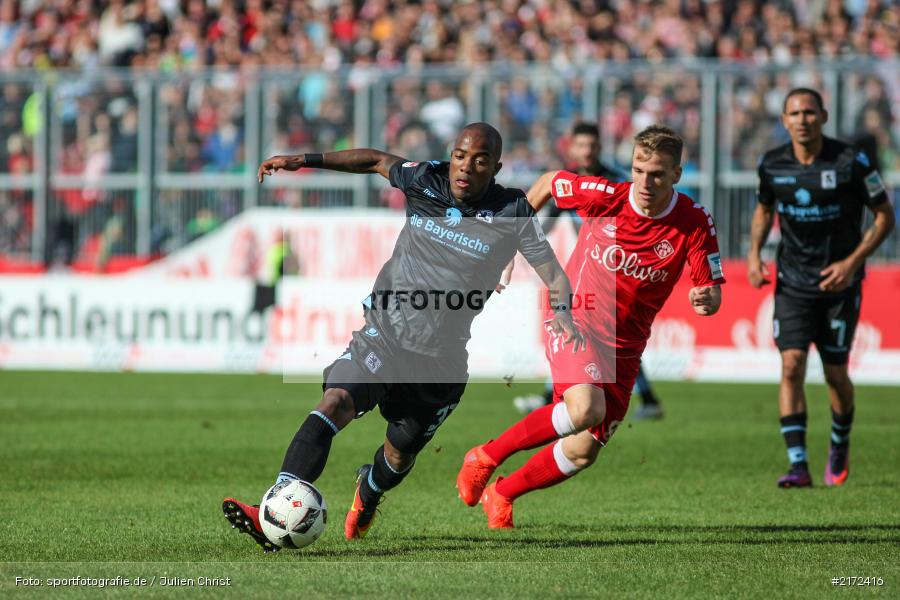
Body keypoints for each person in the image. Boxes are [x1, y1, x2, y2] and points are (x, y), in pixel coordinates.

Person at [223, 122, 584, 550]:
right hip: (383, 338)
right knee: (336, 401)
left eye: (480, 160)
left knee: (398, 455)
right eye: (461, 156)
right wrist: (303, 160)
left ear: (497, 167)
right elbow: (376, 160)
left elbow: (555, 275)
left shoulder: (512, 211)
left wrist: (562, 311)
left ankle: (368, 492)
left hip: (439, 363)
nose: (466, 167)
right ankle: (278, 501)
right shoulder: (425, 179)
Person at [457, 125, 726, 529]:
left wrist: (705, 299)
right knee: (585, 408)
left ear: (676, 175)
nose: (645, 181)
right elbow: (549, 182)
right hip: (574, 317)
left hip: (626, 347)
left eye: (656, 173)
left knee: (583, 450)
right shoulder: (608, 198)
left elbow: (711, 291)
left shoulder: (693, 221)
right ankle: (485, 456)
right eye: (638, 169)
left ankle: (504, 492)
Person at [748, 88, 894, 489]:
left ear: (823, 116)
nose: (802, 120)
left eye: (810, 112)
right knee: (791, 365)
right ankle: (798, 465)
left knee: (835, 375)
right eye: (794, 113)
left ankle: (839, 441)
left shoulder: (852, 161)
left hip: (840, 286)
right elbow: (764, 209)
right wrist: (755, 252)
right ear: (784, 119)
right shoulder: (772, 164)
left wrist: (852, 263)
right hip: (792, 283)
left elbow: (884, 216)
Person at [511, 121, 665, 420]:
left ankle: (643, 399)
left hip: (618, 273)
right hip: (587, 273)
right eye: (581, 145)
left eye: (592, 146)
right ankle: (645, 399)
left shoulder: (618, 183)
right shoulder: (571, 185)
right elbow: (551, 222)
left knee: (605, 337)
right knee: (575, 329)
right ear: (572, 148)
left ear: (599, 148)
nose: (587, 151)